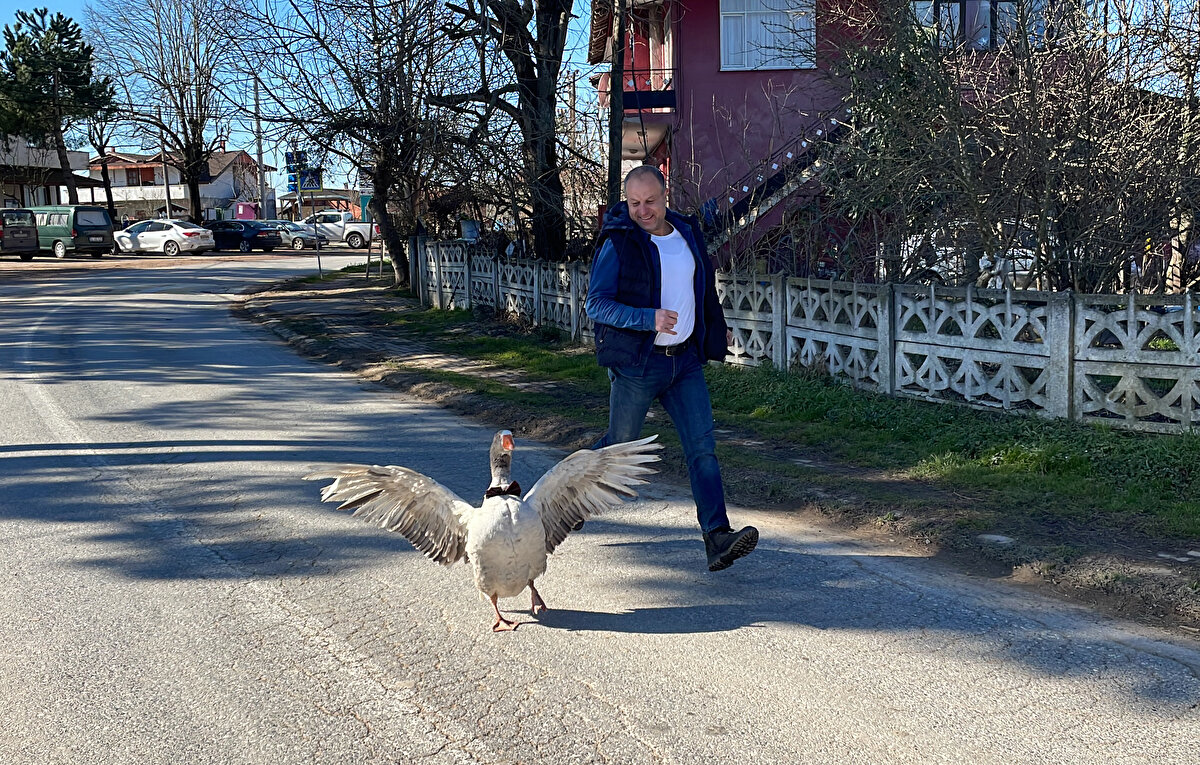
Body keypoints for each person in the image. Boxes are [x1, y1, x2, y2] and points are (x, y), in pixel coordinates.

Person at [586, 165, 758, 572]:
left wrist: (717, 329)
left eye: (650, 201)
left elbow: (700, 288)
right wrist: (648, 319)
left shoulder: (686, 233)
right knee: (618, 449)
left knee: (703, 449)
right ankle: (561, 497)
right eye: (633, 203)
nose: (643, 211)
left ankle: (717, 537)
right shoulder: (619, 241)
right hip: (637, 365)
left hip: (685, 362)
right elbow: (596, 304)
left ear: (666, 196)